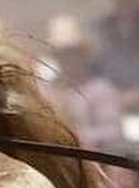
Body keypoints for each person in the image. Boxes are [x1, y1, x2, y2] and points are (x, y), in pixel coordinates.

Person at [43, 13, 123, 149]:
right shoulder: (45, 89)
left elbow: (113, 131)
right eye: (62, 53)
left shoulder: (100, 89)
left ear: (83, 54)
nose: (68, 59)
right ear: (55, 56)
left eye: (73, 53)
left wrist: (77, 137)